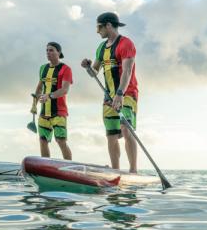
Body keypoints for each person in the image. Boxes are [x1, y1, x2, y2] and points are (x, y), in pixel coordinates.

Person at [81, 12, 138, 172]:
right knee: (111, 135)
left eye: (99, 27)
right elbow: (94, 73)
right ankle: (115, 171)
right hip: (108, 96)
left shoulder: (126, 43)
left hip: (126, 94)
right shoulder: (101, 48)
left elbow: (127, 71)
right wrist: (88, 67)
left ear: (108, 25)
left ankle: (133, 170)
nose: (97, 31)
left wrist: (120, 94)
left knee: (126, 130)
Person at [32, 42, 73, 160]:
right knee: (43, 141)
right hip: (44, 112)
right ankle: (46, 165)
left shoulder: (66, 69)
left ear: (58, 53)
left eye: (51, 50)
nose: (48, 53)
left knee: (61, 141)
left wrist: (49, 96)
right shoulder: (43, 68)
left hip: (59, 112)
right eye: (47, 50)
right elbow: (39, 87)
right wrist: (34, 104)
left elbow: (64, 90)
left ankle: (69, 166)